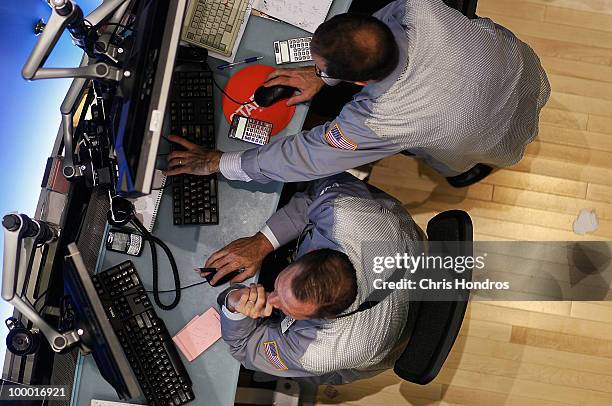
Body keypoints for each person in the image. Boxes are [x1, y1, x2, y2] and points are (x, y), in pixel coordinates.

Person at [165, 0, 550, 187]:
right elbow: (380, 26)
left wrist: (218, 163)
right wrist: (323, 77)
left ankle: (470, 171)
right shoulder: (420, 9)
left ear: (360, 82)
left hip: (481, 135)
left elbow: (304, 158)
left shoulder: (380, 120)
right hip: (522, 69)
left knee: (458, 157)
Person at [207, 173, 423, 384]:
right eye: (279, 287)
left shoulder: (321, 349)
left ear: (324, 318)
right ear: (313, 251)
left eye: (289, 310)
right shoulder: (345, 212)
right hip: (409, 255)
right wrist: (263, 242)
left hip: (373, 341)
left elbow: (245, 347)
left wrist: (234, 305)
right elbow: (317, 189)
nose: (270, 301)